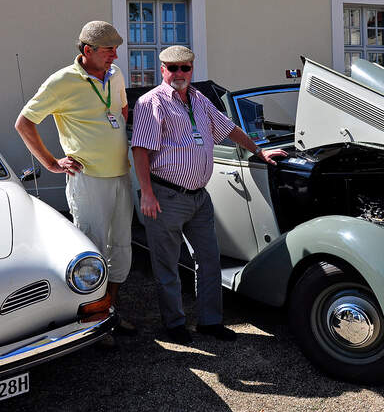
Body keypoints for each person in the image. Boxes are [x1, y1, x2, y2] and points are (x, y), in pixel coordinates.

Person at [131, 45, 287, 345]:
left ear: (192, 69)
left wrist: (259, 150)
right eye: (172, 68)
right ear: (162, 70)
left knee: (210, 259)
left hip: (199, 196)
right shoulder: (152, 103)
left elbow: (229, 129)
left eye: (185, 68)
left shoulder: (199, 99)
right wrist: (148, 194)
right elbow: (139, 150)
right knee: (167, 265)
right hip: (166, 196)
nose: (179, 73)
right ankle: (175, 325)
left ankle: (210, 321)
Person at [14, 20, 136, 338]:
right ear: (87, 51)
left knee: (122, 248)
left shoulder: (115, 75)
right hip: (89, 179)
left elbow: (122, 111)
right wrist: (52, 163)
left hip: (121, 174)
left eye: (116, 50)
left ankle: (110, 311)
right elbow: (24, 123)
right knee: (92, 251)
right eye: (109, 50)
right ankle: (94, 323)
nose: (115, 56)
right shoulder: (61, 81)